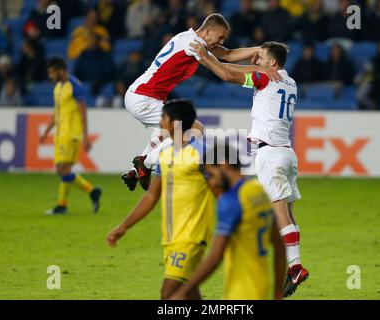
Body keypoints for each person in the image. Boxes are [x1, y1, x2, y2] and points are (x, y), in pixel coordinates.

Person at [190, 40, 309, 297]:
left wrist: (202, 56)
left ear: (273, 63)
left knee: (279, 213)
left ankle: (296, 266)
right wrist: (250, 59)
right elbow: (235, 67)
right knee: (288, 212)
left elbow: (225, 73)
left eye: (261, 57)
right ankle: (293, 264)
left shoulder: (264, 79)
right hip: (287, 153)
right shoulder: (290, 82)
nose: (256, 60)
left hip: (270, 154)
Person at [122, 13, 280, 192]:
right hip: (144, 98)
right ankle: (146, 163)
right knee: (195, 130)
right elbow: (224, 69)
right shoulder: (194, 45)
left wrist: (259, 49)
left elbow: (227, 55)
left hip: (142, 95)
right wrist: (261, 69)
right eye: (219, 37)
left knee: (163, 133)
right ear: (206, 31)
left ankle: (136, 170)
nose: (220, 42)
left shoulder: (190, 38)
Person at [107, 100, 216, 300]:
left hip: (192, 234)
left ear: (175, 122)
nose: (160, 121)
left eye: (163, 117)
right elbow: (151, 196)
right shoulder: (165, 154)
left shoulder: (203, 154)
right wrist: (123, 227)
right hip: (171, 235)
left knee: (168, 295)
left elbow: (223, 192)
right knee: (190, 293)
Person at [170, 143, 286, 300]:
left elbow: (215, 256)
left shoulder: (231, 201)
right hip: (262, 289)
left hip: (241, 294)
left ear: (224, 164)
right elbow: (279, 246)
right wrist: (278, 291)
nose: (212, 183)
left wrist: (183, 292)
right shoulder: (258, 191)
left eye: (211, 174)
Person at [40, 58, 102, 215]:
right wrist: (47, 131)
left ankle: (65, 204)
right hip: (60, 134)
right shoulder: (58, 88)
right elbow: (56, 114)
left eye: (52, 72)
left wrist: (86, 135)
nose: (50, 76)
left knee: (62, 169)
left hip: (71, 133)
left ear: (60, 70)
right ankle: (88, 192)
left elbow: (83, 111)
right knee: (63, 169)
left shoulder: (75, 86)